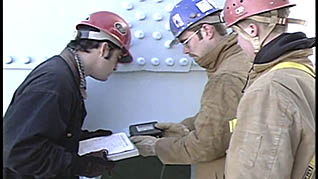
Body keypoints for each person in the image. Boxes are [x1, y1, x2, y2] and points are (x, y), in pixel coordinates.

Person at [3, 11, 133, 179]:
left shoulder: (64, 75)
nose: (115, 67)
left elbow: (47, 134)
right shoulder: (54, 82)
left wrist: (84, 139)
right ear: (105, 49)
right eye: (117, 59)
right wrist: (81, 166)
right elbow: (20, 152)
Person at [130, 0, 251, 178]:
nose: (185, 51)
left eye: (186, 42)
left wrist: (155, 147)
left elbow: (206, 146)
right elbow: (229, 116)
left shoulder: (225, 78)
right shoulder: (240, 57)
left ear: (207, 31)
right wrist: (184, 127)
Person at [222, 0, 315, 178]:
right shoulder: (301, 71)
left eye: (236, 34)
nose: (239, 43)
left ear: (252, 30)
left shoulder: (269, 90)